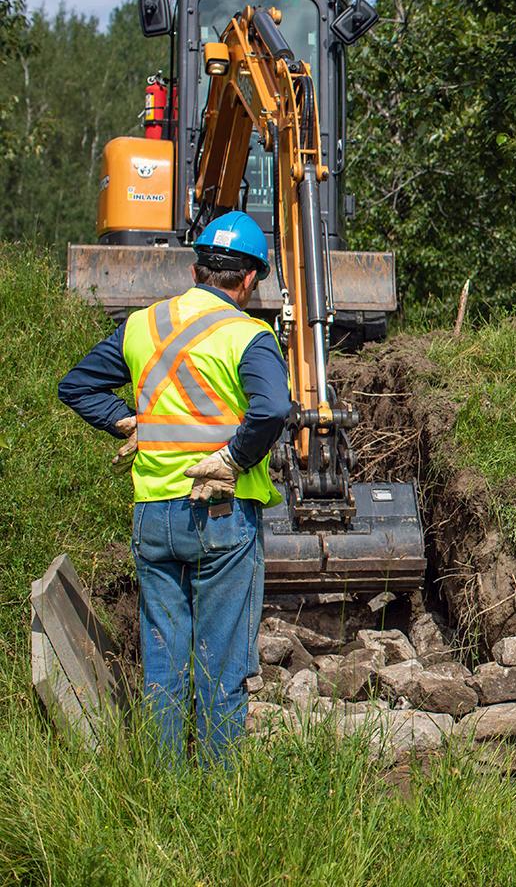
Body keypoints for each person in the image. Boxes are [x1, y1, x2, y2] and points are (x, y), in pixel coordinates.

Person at [58, 211, 293, 761]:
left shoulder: (142, 326)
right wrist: (233, 457)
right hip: (221, 516)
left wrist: (124, 420)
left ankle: (163, 783)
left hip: (154, 517)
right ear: (250, 279)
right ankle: (216, 789)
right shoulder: (249, 336)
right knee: (222, 664)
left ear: (195, 270)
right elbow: (272, 409)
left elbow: (76, 386)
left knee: (163, 662)